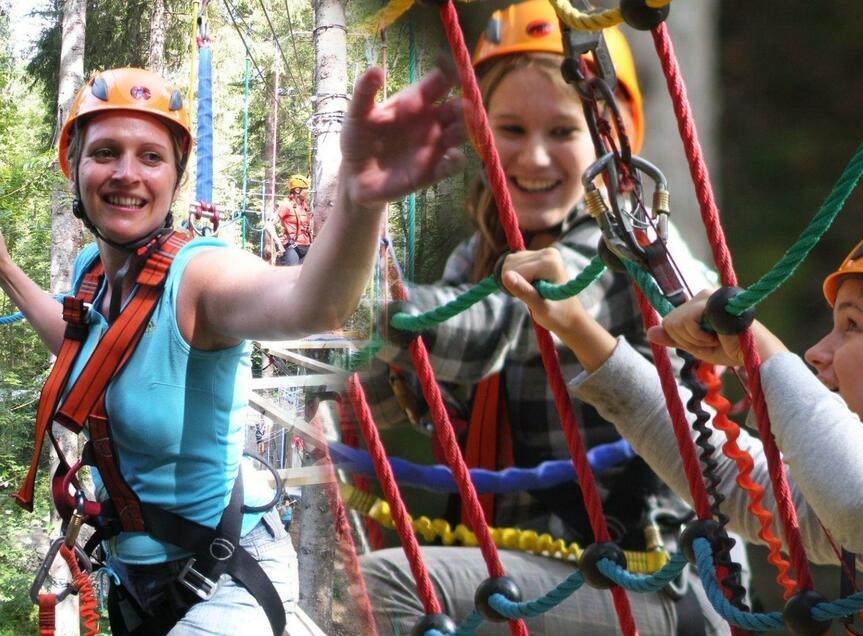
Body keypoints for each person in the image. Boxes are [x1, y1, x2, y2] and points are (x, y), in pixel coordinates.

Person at [0, 64, 464, 634]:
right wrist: (5, 267)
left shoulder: (200, 276)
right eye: (105, 152)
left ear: (174, 177)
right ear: (75, 167)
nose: (126, 173)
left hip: (226, 577)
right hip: (135, 581)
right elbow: (84, 349)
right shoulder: (90, 272)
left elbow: (309, 303)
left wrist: (360, 200)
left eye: (151, 157)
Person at [359, 2, 736, 633]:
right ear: (481, 135)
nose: (534, 158)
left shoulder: (621, 248)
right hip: (543, 572)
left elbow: (492, 330)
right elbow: (404, 386)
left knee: (388, 584)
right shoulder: (476, 256)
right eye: (511, 129)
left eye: (561, 132)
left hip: (648, 580)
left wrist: (363, 301)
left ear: (607, 139)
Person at [501, 209, 863, 634]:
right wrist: (578, 329)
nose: (818, 353)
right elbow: (736, 480)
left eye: (852, 326)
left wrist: (763, 353)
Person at [273, 174, 314, 266]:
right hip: (292, 248)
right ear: (297, 190)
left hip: (306, 247)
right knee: (291, 277)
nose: (308, 191)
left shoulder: (304, 206)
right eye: (306, 189)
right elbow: (269, 225)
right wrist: (279, 244)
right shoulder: (286, 205)